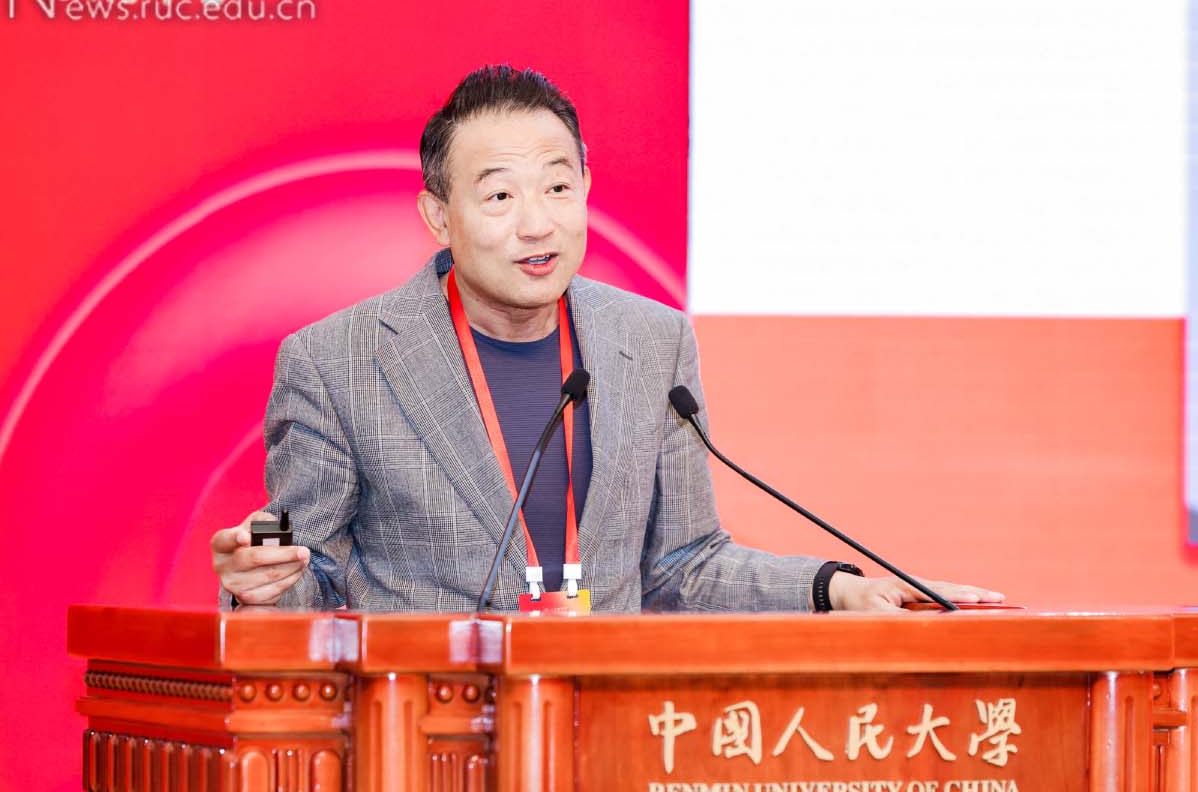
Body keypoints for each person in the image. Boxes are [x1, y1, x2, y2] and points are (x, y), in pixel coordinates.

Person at [211, 65, 1002, 613]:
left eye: (559, 186)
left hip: (608, 736)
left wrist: (837, 588)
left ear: (586, 186)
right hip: (428, 742)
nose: (537, 223)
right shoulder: (338, 361)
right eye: (499, 196)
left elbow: (686, 565)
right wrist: (261, 580)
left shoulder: (651, 342)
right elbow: (310, 569)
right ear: (438, 216)